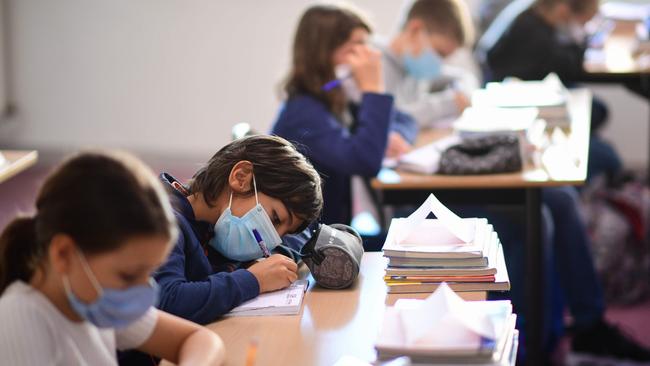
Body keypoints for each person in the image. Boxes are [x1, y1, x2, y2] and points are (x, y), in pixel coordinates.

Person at [0, 151, 225, 365]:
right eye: (128, 275)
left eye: (148, 273)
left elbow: (200, 340)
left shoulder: (92, 300)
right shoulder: (21, 318)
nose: (142, 289)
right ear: (63, 253)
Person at [272, 4, 418, 226]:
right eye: (357, 46)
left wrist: (394, 134)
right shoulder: (303, 113)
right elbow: (366, 161)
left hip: (334, 233)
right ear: (323, 52)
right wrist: (373, 89)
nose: (370, 55)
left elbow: (406, 120)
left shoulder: (334, 97)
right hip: (312, 245)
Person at [154, 135, 323, 324]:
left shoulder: (212, 229)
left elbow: (294, 244)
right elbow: (166, 302)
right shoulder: (158, 221)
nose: (272, 239)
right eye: (275, 218)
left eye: (283, 233)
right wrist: (253, 280)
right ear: (241, 178)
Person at [485, 0, 622, 182]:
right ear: (563, 9)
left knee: (598, 110)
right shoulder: (532, 32)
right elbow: (568, 66)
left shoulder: (536, 17)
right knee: (608, 157)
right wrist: (580, 36)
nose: (582, 26)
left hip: (537, 93)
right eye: (582, 21)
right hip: (518, 104)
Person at [376, 0, 478, 128]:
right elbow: (389, 119)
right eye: (439, 53)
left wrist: (462, 93)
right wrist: (449, 104)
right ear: (415, 29)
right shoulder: (373, 64)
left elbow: (465, 76)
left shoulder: (412, 66)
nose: (440, 63)